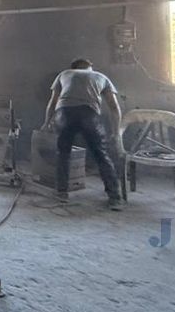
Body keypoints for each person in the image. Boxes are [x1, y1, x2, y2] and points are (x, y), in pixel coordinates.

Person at [42, 58, 123, 210]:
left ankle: (61, 193)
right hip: (89, 114)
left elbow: (52, 102)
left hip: (64, 113)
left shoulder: (64, 74)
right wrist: (116, 131)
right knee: (101, 155)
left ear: (73, 67)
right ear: (90, 67)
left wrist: (46, 123)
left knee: (63, 154)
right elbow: (114, 107)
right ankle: (114, 197)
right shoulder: (100, 76)